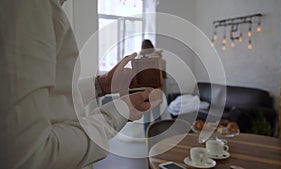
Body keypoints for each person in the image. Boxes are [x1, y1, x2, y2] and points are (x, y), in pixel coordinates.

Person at [0, 0, 161, 169]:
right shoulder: (28, 6)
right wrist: (118, 112)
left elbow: (51, 101)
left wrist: (101, 84)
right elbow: (31, 157)